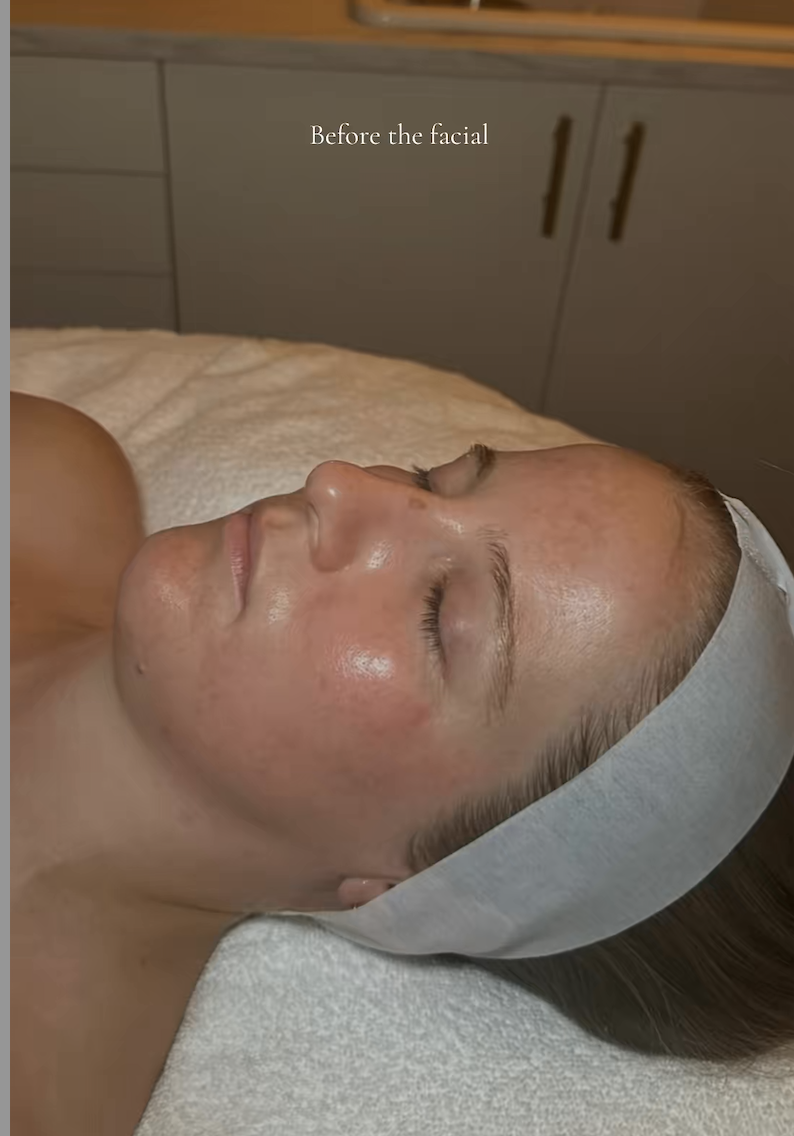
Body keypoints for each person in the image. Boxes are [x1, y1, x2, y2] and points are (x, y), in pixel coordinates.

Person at [11, 391, 793, 1136]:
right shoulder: (46, 468)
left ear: (412, 885)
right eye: (434, 478)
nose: (339, 485)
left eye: (435, 614)